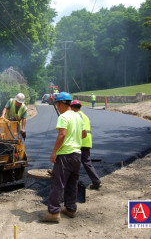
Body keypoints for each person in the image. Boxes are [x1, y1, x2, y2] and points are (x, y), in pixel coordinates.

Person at [40, 92, 86, 222]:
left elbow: (62, 135)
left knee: (58, 183)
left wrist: (54, 152)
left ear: (60, 104)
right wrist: (74, 137)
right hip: (77, 155)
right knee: (72, 182)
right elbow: (83, 134)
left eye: (57, 104)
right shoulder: (78, 117)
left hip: (65, 155)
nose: (57, 107)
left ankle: (54, 212)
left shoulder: (63, 117)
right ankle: (71, 209)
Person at [70, 100, 101, 189]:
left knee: (72, 161)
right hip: (87, 141)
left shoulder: (75, 115)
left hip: (80, 140)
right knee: (87, 162)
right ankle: (96, 180)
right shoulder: (85, 116)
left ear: (72, 107)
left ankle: (73, 183)